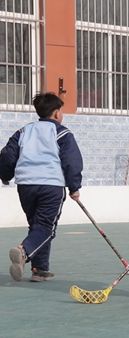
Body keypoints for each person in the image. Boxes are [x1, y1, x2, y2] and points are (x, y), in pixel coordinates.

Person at [0, 92, 83, 282]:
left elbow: (7, 155)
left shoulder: (23, 131)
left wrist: (4, 175)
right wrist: (74, 186)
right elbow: (72, 161)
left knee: (37, 226)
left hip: (26, 186)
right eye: (61, 111)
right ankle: (23, 251)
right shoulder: (62, 133)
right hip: (50, 185)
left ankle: (39, 269)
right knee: (46, 228)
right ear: (56, 113)